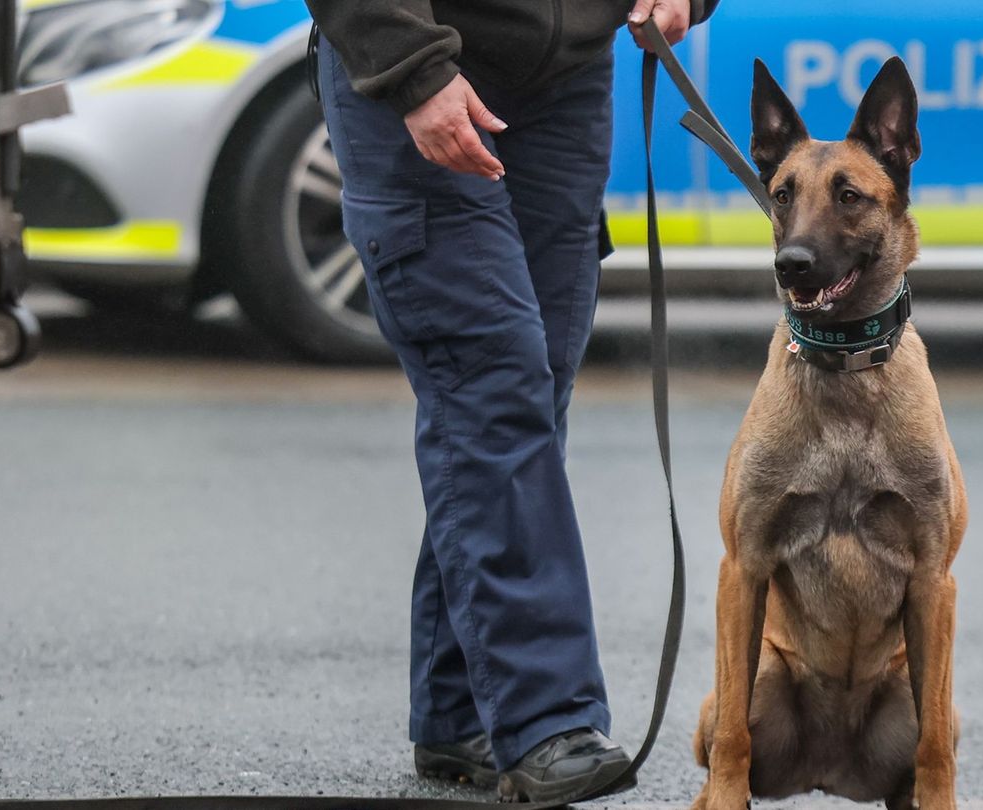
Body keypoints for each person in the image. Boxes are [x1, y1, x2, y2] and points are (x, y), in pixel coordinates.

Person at [303, 0, 718, 801]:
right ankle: (545, 719)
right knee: (492, 386)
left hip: (566, 83)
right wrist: (414, 71)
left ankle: (458, 710)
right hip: (422, 70)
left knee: (533, 395)